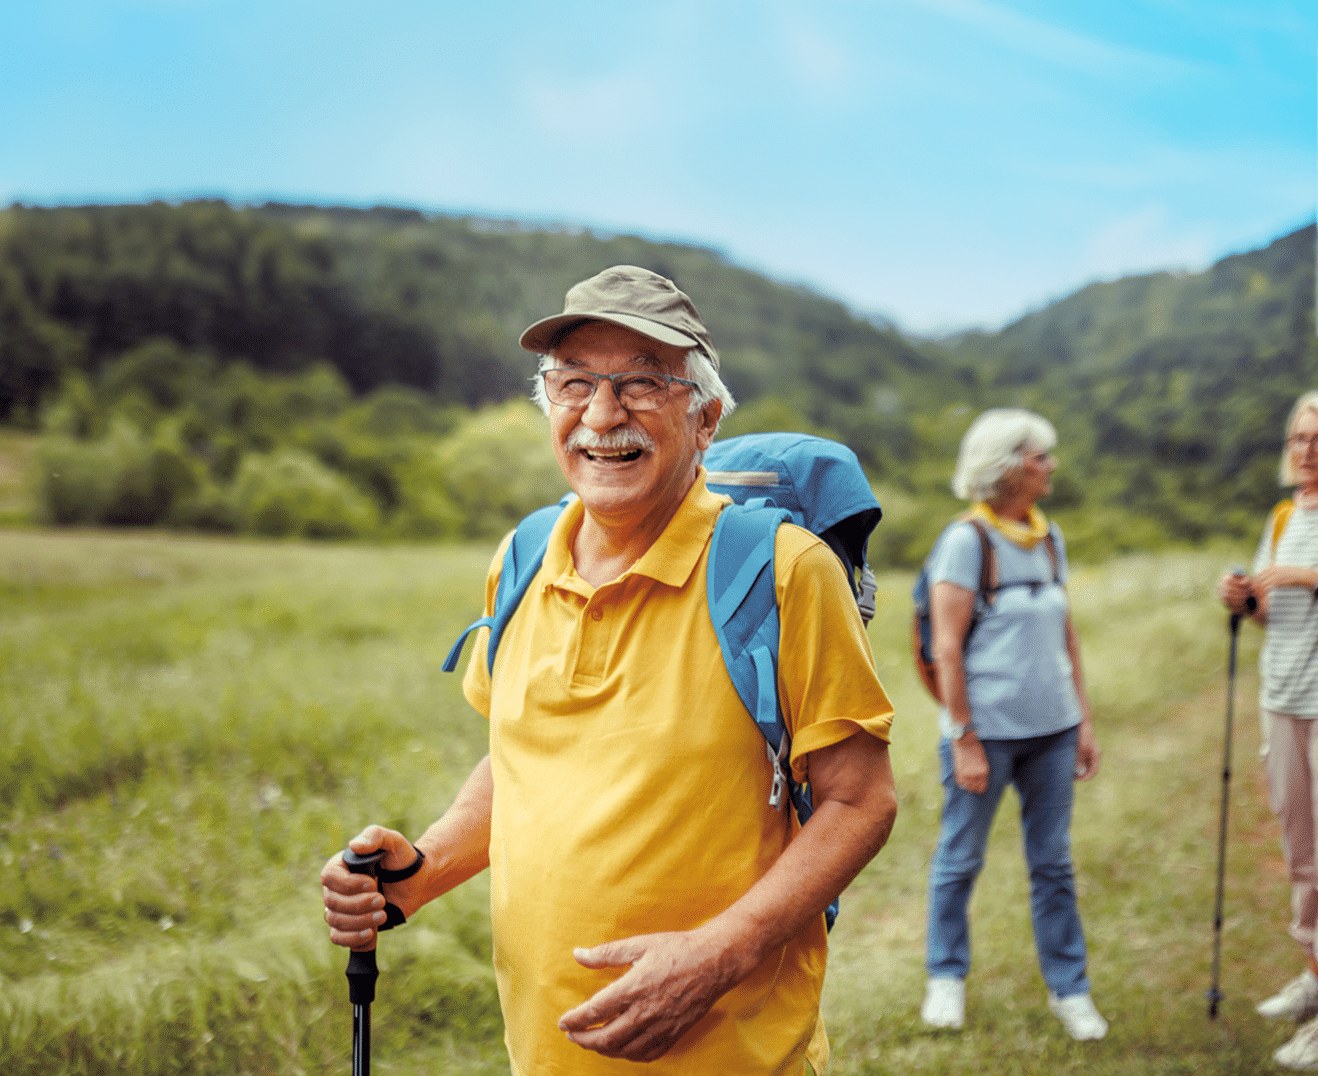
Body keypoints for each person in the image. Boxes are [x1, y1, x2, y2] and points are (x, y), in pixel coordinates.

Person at [321, 265, 898, 1075]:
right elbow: (523, 759)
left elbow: (860, 801)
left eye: (641, 383)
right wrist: (419, 872)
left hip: (735, 1056)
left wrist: (720, 955)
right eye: (575, 383)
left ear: (705, 417)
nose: (601, 414)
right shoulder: (521, 557)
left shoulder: (783, 574)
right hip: (546, 1053)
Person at [918, 408, 1107, 1040]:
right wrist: (963, 739)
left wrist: (1081, 720)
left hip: (1053, 730)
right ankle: (945, 980)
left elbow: (1067, 634)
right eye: (1040, 456)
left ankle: (1070, 989)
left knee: (1052, 863)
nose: (1051, 466)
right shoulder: (966, 541)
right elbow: (946, 648)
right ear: (1008, 466)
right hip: (986, 736)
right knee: (960, 857)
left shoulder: (1049, 537)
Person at [1218, 390, 1318, 1071]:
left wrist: (1307, 576)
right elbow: (1266, 613)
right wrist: (1245, 598)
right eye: (1300, 437)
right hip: (1280, 697)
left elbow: (1300, 586)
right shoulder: (1284, 514)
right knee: (1301, 851)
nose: (1307, 448)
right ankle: (1315, 977)